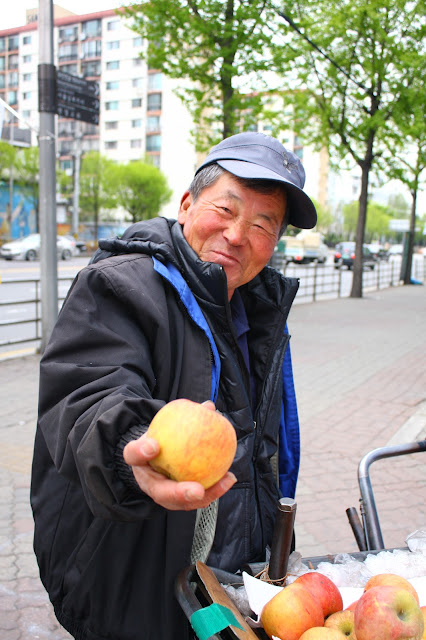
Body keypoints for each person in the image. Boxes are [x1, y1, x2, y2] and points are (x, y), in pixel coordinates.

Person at [30, 131, 317, 640]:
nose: (236, 235)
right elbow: (87, 397)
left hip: (226, 579)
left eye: (261, 224)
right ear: (187, 205)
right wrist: (132, 451)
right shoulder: (119, 284)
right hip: (136, 578)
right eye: (225, 209)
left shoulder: (259, 309)